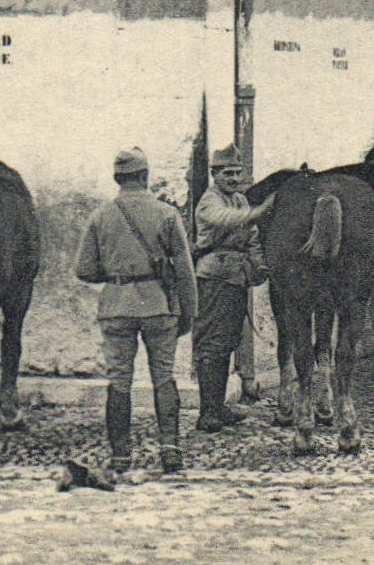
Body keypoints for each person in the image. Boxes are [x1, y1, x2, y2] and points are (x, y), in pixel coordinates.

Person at [74, 147, 199, 473]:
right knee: (163, 377)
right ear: (145, 176)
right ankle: (170, 450)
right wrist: (188, 311)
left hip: (116, 306)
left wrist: (117, 275)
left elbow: (84, 270)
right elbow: (185, 271)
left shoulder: (100, 216)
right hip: (158, 305)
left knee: (119, 382)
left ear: (118, 178)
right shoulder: (167, 214)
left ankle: (120, 456)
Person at [192, 145, 274, 432]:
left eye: (238, 173)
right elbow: (224, 219)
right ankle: (207, 412)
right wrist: (258, 212)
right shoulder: (209, 200)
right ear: (214, 174)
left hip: (236, 278)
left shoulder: (240, 200)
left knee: (227, 341)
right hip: (214, 277)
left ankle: (218, 407)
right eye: (228, 173)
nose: (234, 178)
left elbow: (251, 238)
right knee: (211, 343)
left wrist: (259, 265)